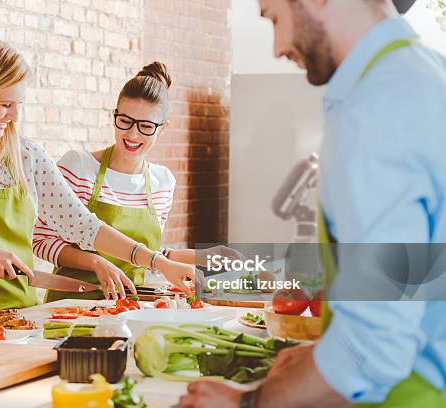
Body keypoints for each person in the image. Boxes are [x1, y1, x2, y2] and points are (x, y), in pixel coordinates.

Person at [179, 0, 446, 407]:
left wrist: (248, 402)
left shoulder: (375, 110)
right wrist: (326, 358)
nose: (276, 47)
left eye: (273, 17)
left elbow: (375, 343)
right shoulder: (425, 76)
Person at [0, 39, 195, 314]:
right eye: (6, 104)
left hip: (26, 322)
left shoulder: (27, 158)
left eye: (18, 105)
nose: (15, 117)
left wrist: (159, 263)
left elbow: (84, 227)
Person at [34, 62, 239, 302]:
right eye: (126, 121)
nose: (132, 134)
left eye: (146, 126)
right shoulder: (78, 167)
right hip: (72, 307)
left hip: (131, 306)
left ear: (163, 129)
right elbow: (41, 240)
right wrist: (96, 263)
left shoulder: (162, 182)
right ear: (114, 116)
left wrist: (202, 256)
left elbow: (148, 255)